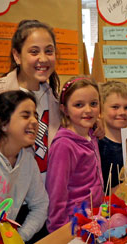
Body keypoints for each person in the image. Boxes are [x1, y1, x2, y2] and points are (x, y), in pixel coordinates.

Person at [0, 20, 61, 174]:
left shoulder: (57, 100)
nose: (43, 58)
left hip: (46, 192)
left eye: (49, 51)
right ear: (17, 56)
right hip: (7, 190)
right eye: (34, 52)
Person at [0, 90, 49, 242]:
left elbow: (41, 205)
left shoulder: (28, 160)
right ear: (2, 123)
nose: (34, 121)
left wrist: (19, 238)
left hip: (3, 243)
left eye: (35, 115)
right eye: (26, 115)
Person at [45, 77, 103, 232]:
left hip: (94, 218)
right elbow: (56, 193)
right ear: (64, 109)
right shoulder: (64, 145)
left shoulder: (92, 134)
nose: (88, 110)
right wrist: (57, 232)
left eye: (93, 104)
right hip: (72, 225)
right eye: (79, 105)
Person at [99, 80, 127, 192]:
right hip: (107, 206)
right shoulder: (98, 144)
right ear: (101, 110)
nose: (122, 112)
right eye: (115, 107)